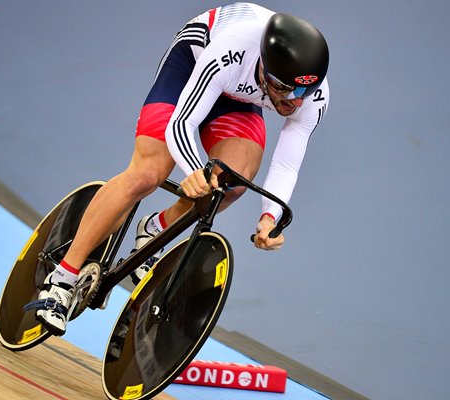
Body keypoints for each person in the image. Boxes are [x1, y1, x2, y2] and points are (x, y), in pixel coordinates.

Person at [35, 2, 330, 336]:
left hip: (241, 96)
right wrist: (193, 169)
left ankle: (156, 228)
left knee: (230, 183)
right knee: (148, 173)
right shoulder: (231, 51)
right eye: (286, 89)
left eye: (306, 90)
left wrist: (269, 218)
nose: (296, 102)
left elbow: (287, 162)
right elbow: (182, 123)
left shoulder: (310, 94)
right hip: (192, 68)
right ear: (264, 69)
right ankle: (62, 277)